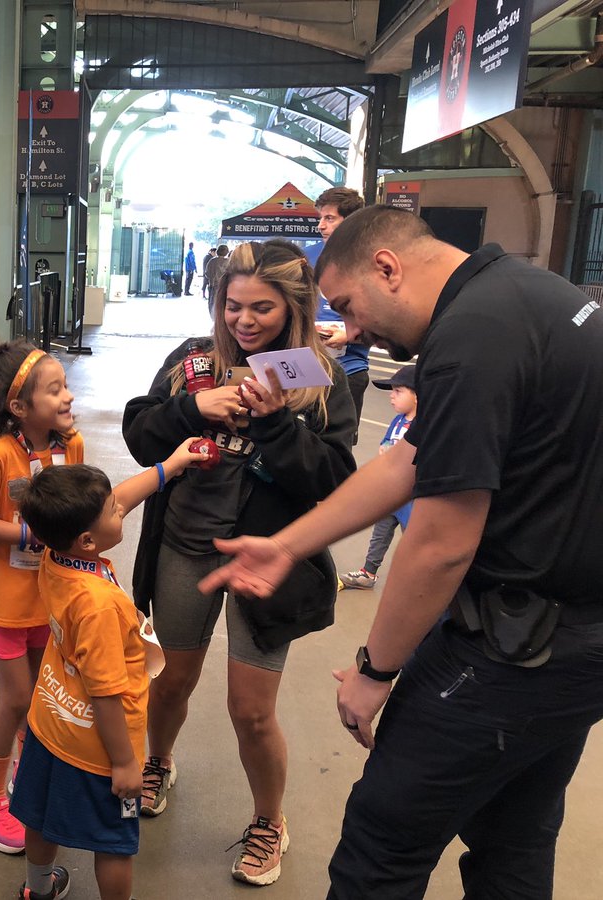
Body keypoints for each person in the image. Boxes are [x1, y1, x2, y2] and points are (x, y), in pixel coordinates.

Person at [199, 206, 603, 899]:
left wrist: (374, 669)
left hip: (516, 645)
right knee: (512, 838)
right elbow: (409, 461)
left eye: (351, 307)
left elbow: (443, 541)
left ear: (387, 267)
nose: (352, 330)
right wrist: (287, 544)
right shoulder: (528, 294)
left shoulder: (473, 334)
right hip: (575, 644)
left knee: (381, 843)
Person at [123, 239, 355, 886]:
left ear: (295, 309)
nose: (244, 322)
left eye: (262, 310)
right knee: (169, 679)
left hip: (267, 562)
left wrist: (279, 425)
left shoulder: (318, 377)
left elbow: (334, 481)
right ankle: (158, 761)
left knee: (251, 710)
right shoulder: (191, 362)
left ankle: (268, 820)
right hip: (184, 546)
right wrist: (190, 409)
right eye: (232, 307)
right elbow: (140, 436)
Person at [10, 449, 204, 900]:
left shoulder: (57, 558)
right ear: (88, 541)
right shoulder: (98, 604)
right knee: (115, 844)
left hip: (51, 722)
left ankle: (38, 889)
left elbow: (115, 500)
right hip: (99, 747)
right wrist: (123, 762)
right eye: (113, 511)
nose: (120, 507)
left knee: (39, 817)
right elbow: (106, 691)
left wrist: (169, 467)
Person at [0, 340, 84, 855]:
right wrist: (31, 535)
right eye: (54, 390)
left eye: (65, 386)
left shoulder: (69, 447)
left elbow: (78, 508)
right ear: (19, 407)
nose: (68, 397)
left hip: (48, 600)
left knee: (38, 699)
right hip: (4, 605)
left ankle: (25, 783)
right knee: (15, 699)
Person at [339, 364, 417, 590]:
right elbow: (385, 447)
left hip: (411, 496)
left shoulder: (422, 426)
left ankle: (416, 581)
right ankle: (368, 573)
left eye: (398, 392)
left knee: (412, 539)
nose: (391, 397)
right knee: (380, 534)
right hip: (391, 492)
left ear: (418, 396)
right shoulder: (399, 420)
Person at [312, 187, 370, 441]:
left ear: (351, 221)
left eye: (330, 218)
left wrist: (349, 335)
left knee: (339, 449)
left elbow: (387, 322)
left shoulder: (370, 260)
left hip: (349, 370)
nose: (321, 226)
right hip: (308, 371)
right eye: (320, 218)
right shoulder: (308, 256)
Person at [204, 244, 230, 318]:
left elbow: (207, 273)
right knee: (222, 303)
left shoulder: (212, 261)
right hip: (224, 287)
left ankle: (213, 317)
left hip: (212, 286)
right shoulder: (228, 262)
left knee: (212, 302)